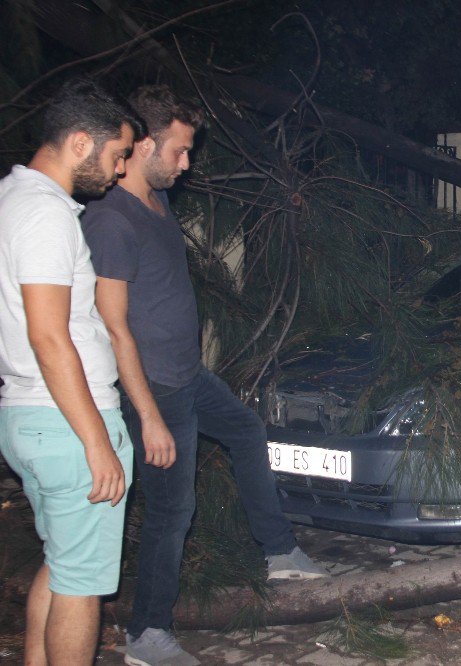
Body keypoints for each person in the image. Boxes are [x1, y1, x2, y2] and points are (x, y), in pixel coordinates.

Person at [81, 84, 326, 666]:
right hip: (154, 388)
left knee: (244, 430)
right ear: (142, 145)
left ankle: (279, 551)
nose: (187, 163)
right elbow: (113, 328)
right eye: (180, 151)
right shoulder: (111, 222)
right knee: (173, 510)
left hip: (187, 374)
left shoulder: (155, 202)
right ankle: (147, 634)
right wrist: (149, 417)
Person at [0, 78, 137, 665]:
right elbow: (50, 337)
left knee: (63, 563)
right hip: (66, 424)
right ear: (81, 142)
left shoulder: (16, 199)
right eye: (118, 154)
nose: (119, 168)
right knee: (83, 587)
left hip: (34, 416)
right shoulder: (44, 214)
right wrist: (97, 442)